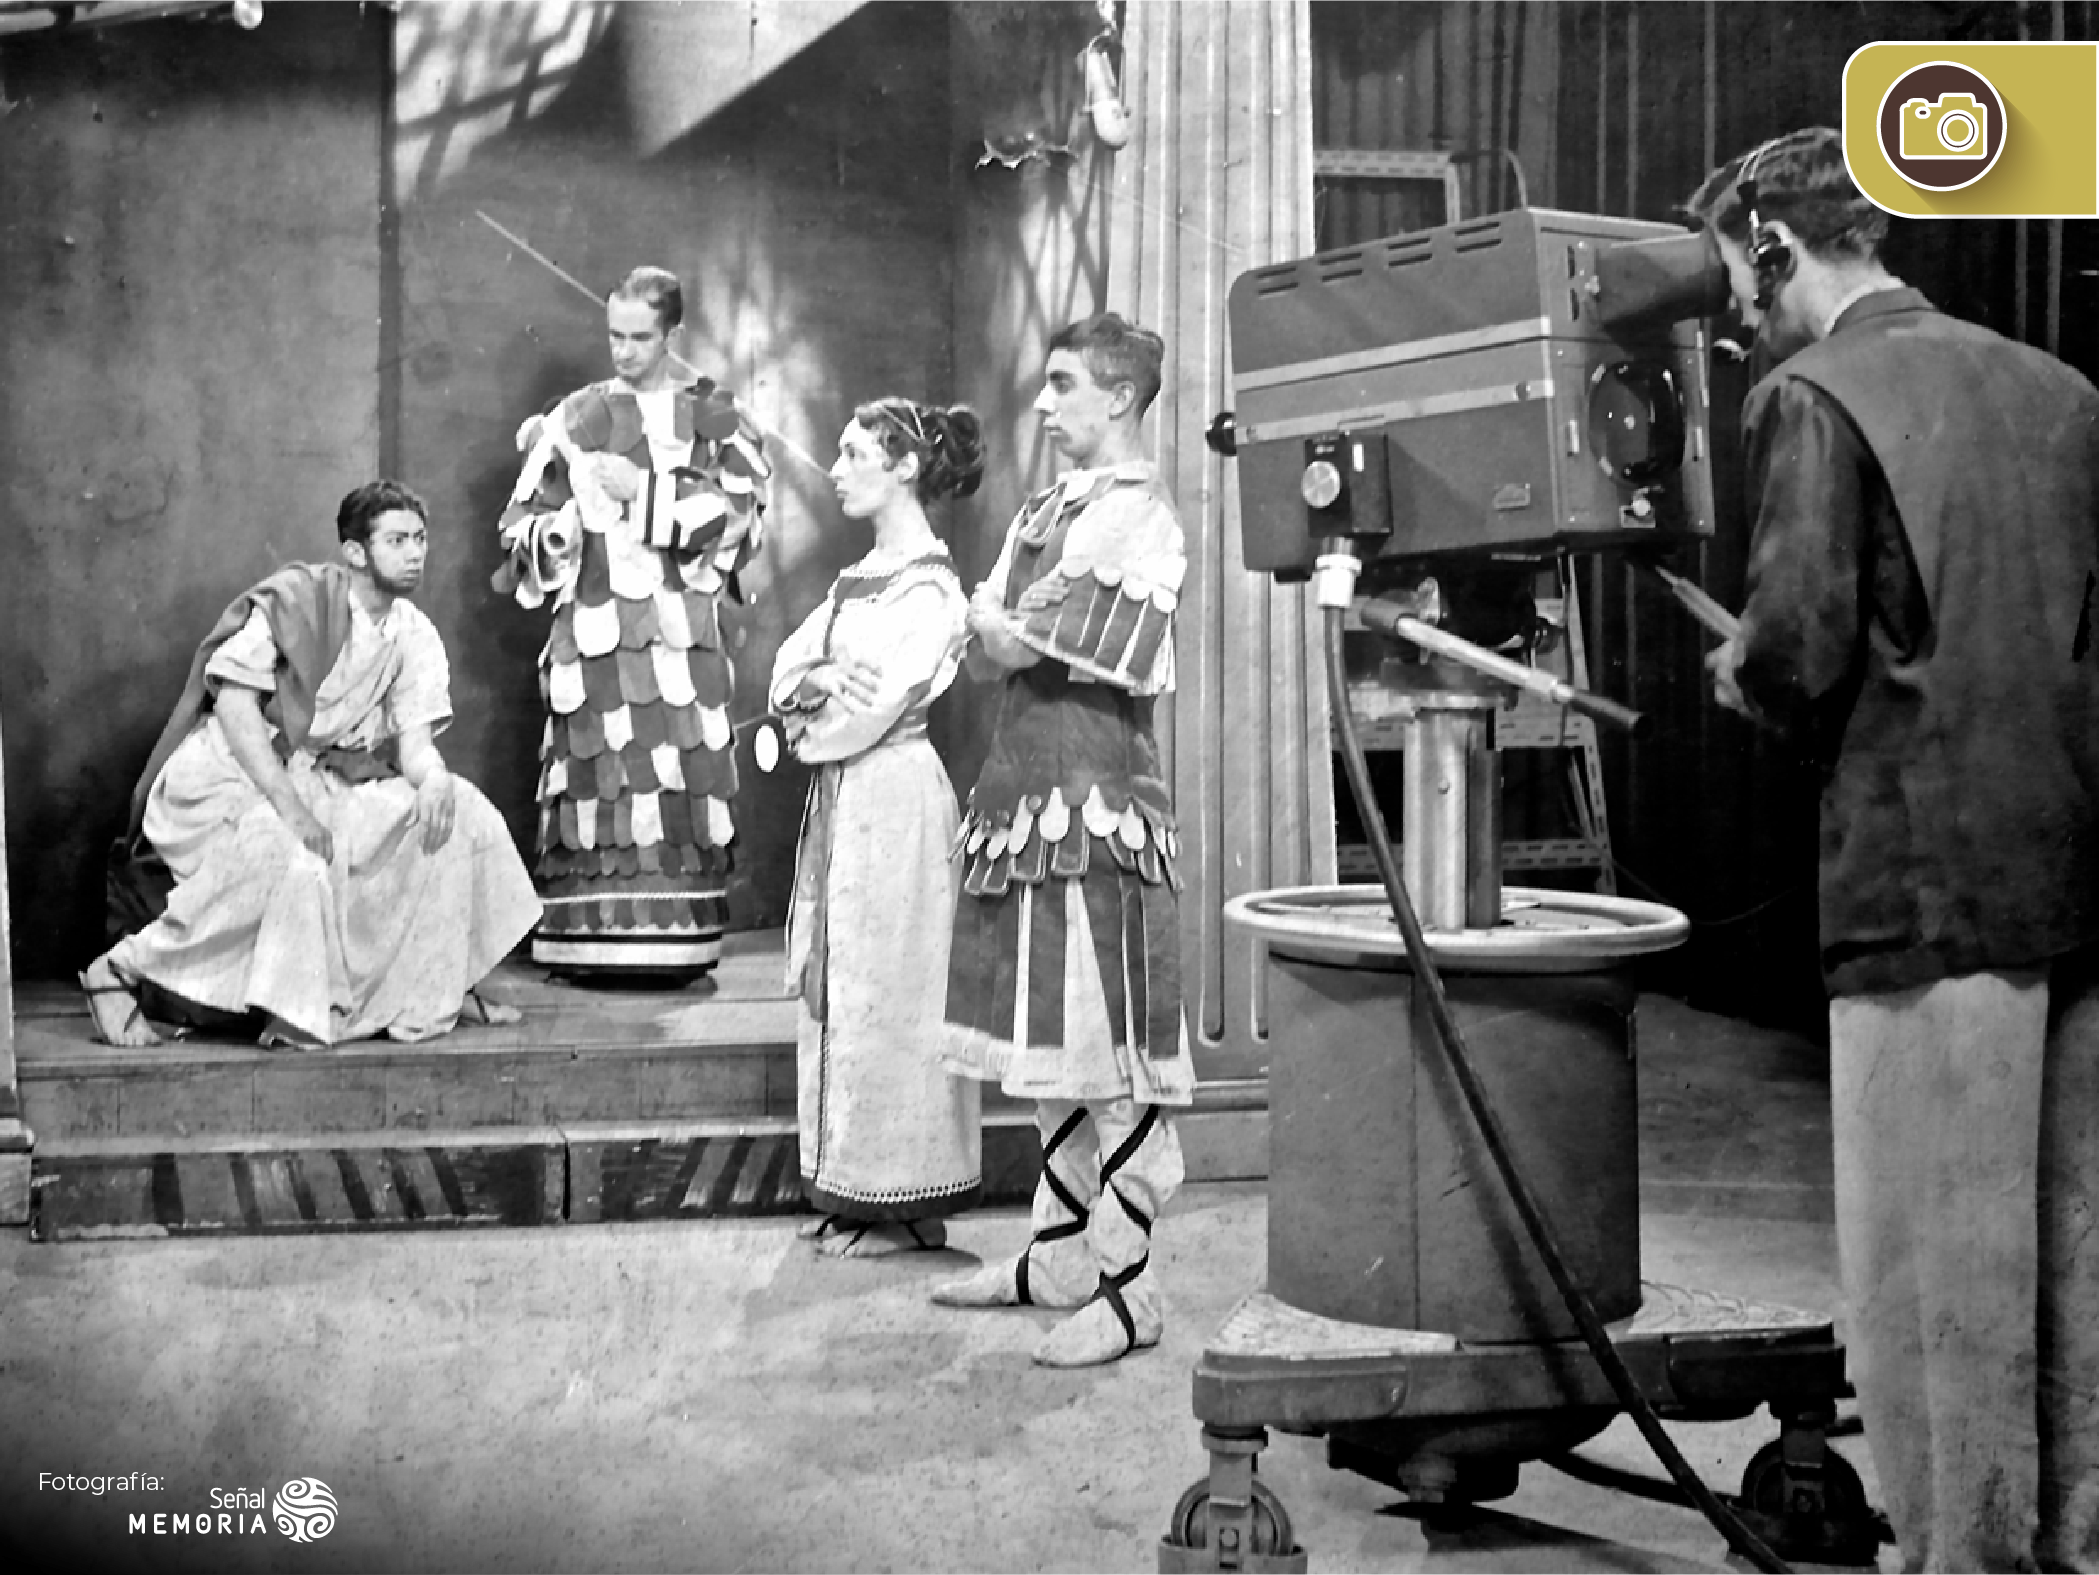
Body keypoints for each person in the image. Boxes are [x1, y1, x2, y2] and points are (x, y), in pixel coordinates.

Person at [1689, 127, 2099, 1575]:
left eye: (1734, 282)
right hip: (2069, 872)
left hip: (1918, 887)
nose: (1735, 318)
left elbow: (1797, 649)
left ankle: (1960, 1555)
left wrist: (1741, 666)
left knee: (1932, 1274)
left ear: (1774, 248)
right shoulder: (2058, 389)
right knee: (2067, 1253)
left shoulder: (1810, 394)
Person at [930, 314, 1195, 1368]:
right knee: (1050, 1049)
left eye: (1063, 383)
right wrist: (1006, 630)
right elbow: (991, 643)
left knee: (1106, 1051)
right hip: (1025, 797)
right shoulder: (1052, 509)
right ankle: (1056, 1256)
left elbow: (1033, 632)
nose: (1042, 404)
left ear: (1118, 396)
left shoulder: (1139, 514)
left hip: (1096, 806)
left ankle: (1130, 1290)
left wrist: (1006, 629)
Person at [86, 481, 542, 1048]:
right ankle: (118, 972)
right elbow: (233, 706)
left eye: (420, 539)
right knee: (294, 859)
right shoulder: (300, 600)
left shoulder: (413, 633)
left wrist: (434, 780)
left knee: (461, 813)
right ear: (355, 552)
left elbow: (415, 746)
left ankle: (433, 986)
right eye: (397, 540)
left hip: (319, 777)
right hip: (230, 776)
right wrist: (292, 810)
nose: (415, 552)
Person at [495, 265, 770, 977]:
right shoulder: (576, 415)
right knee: (598, 768)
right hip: (594, 630)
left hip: (680, 635)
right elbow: (520, 522)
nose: (622, 350)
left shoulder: (712, 415)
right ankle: (587, 939)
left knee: (675, 771)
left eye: (639, 337)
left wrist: (644, 493)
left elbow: (738, 523)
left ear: (671, 333)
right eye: (614, 335)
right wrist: (556, 534)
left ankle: (673, 937)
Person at [769, 397, 986, 1257]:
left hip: (894, 801)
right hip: (846, 798)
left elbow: (869, 711)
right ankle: (853, 1189)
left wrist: (812, 702)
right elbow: (787, 669)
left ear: (904, 466)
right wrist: (815, 678)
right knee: (845, 992)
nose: (837, 468)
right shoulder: (858, 577)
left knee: (892, 993)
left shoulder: (929, 589)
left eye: (855, 452)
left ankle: (902, 1200)